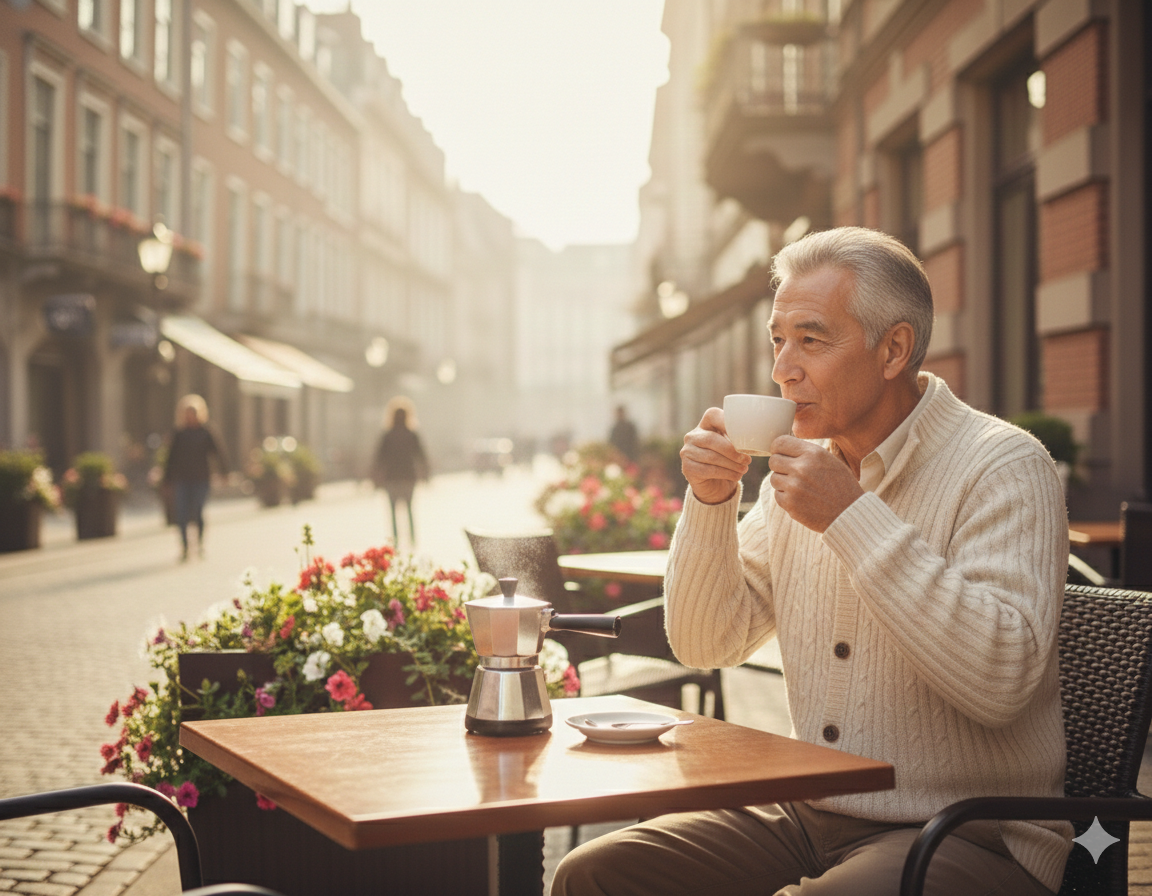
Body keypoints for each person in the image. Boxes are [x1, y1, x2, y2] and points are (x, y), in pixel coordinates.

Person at [553, 227, 1071, 896]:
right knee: (593, 875)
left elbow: (1000, 680)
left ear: (893, 350)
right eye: (778, 339)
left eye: (811, 339)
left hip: (968, 831)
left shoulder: (1004, 466)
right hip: (811, 810)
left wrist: (849, 516)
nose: (782, 369)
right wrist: (711, 502)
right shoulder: (794, 481)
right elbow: (707, 640)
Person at [163, 394, 226, 561]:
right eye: (187, 412)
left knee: (198, 510)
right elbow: (170, 457)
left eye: (193, 412)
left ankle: (199, 543)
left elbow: (218, 452)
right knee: (181, 513)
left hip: (201, 478)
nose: (190, 416)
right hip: (181, 479)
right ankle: (184, 546)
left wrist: (224, 472)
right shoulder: (178, 433)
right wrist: (166, 479)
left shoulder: (206, 432)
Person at [371, 397, 429, 546]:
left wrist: (374, 478)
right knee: (409, 510)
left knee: (393, 512)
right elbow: (421, 456)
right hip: (409, 477)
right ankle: (412, 541)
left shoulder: (388, 435)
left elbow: (379, 458)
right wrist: (426, 474)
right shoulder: (412, 434)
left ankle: (395, 542)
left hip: (391, 478)